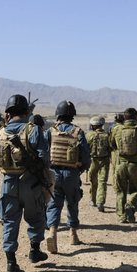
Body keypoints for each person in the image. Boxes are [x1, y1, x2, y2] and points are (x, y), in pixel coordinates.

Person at [0, 94, 50, 272]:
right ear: (27, 112)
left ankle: (11, 263)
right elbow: (44, 158)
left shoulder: (1, 133)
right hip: (31, 184)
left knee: (10, 221)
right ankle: (35, 251)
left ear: (8, 113)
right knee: (36, 217)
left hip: (8, 184)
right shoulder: (33, 130)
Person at [43, 101, 90, 252]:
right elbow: (85, 156)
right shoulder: (78, 132)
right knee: (72, 203)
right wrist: (79, 169)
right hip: (72, 174)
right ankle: (73, 235)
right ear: (72, 115)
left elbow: (43, 152)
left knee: (53, 205)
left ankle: (52, 232)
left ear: (58, 114)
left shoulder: (50, 132)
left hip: (54, 173)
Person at [108, 107, 137, 223]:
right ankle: (131, 204)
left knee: (120, 191)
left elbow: (111, 144)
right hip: (136, 165)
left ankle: (121, 216)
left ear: (124, 117)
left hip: (120, 165)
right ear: (135, 117)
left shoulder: (117, 129)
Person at [86, 116, 111, 213]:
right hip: (105, 161)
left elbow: (84, 148)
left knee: (93, 181)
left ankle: (93, 200)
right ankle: (101, 202)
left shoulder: (89, 135)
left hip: (92, 161)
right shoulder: (107, 135)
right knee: (102, 182)